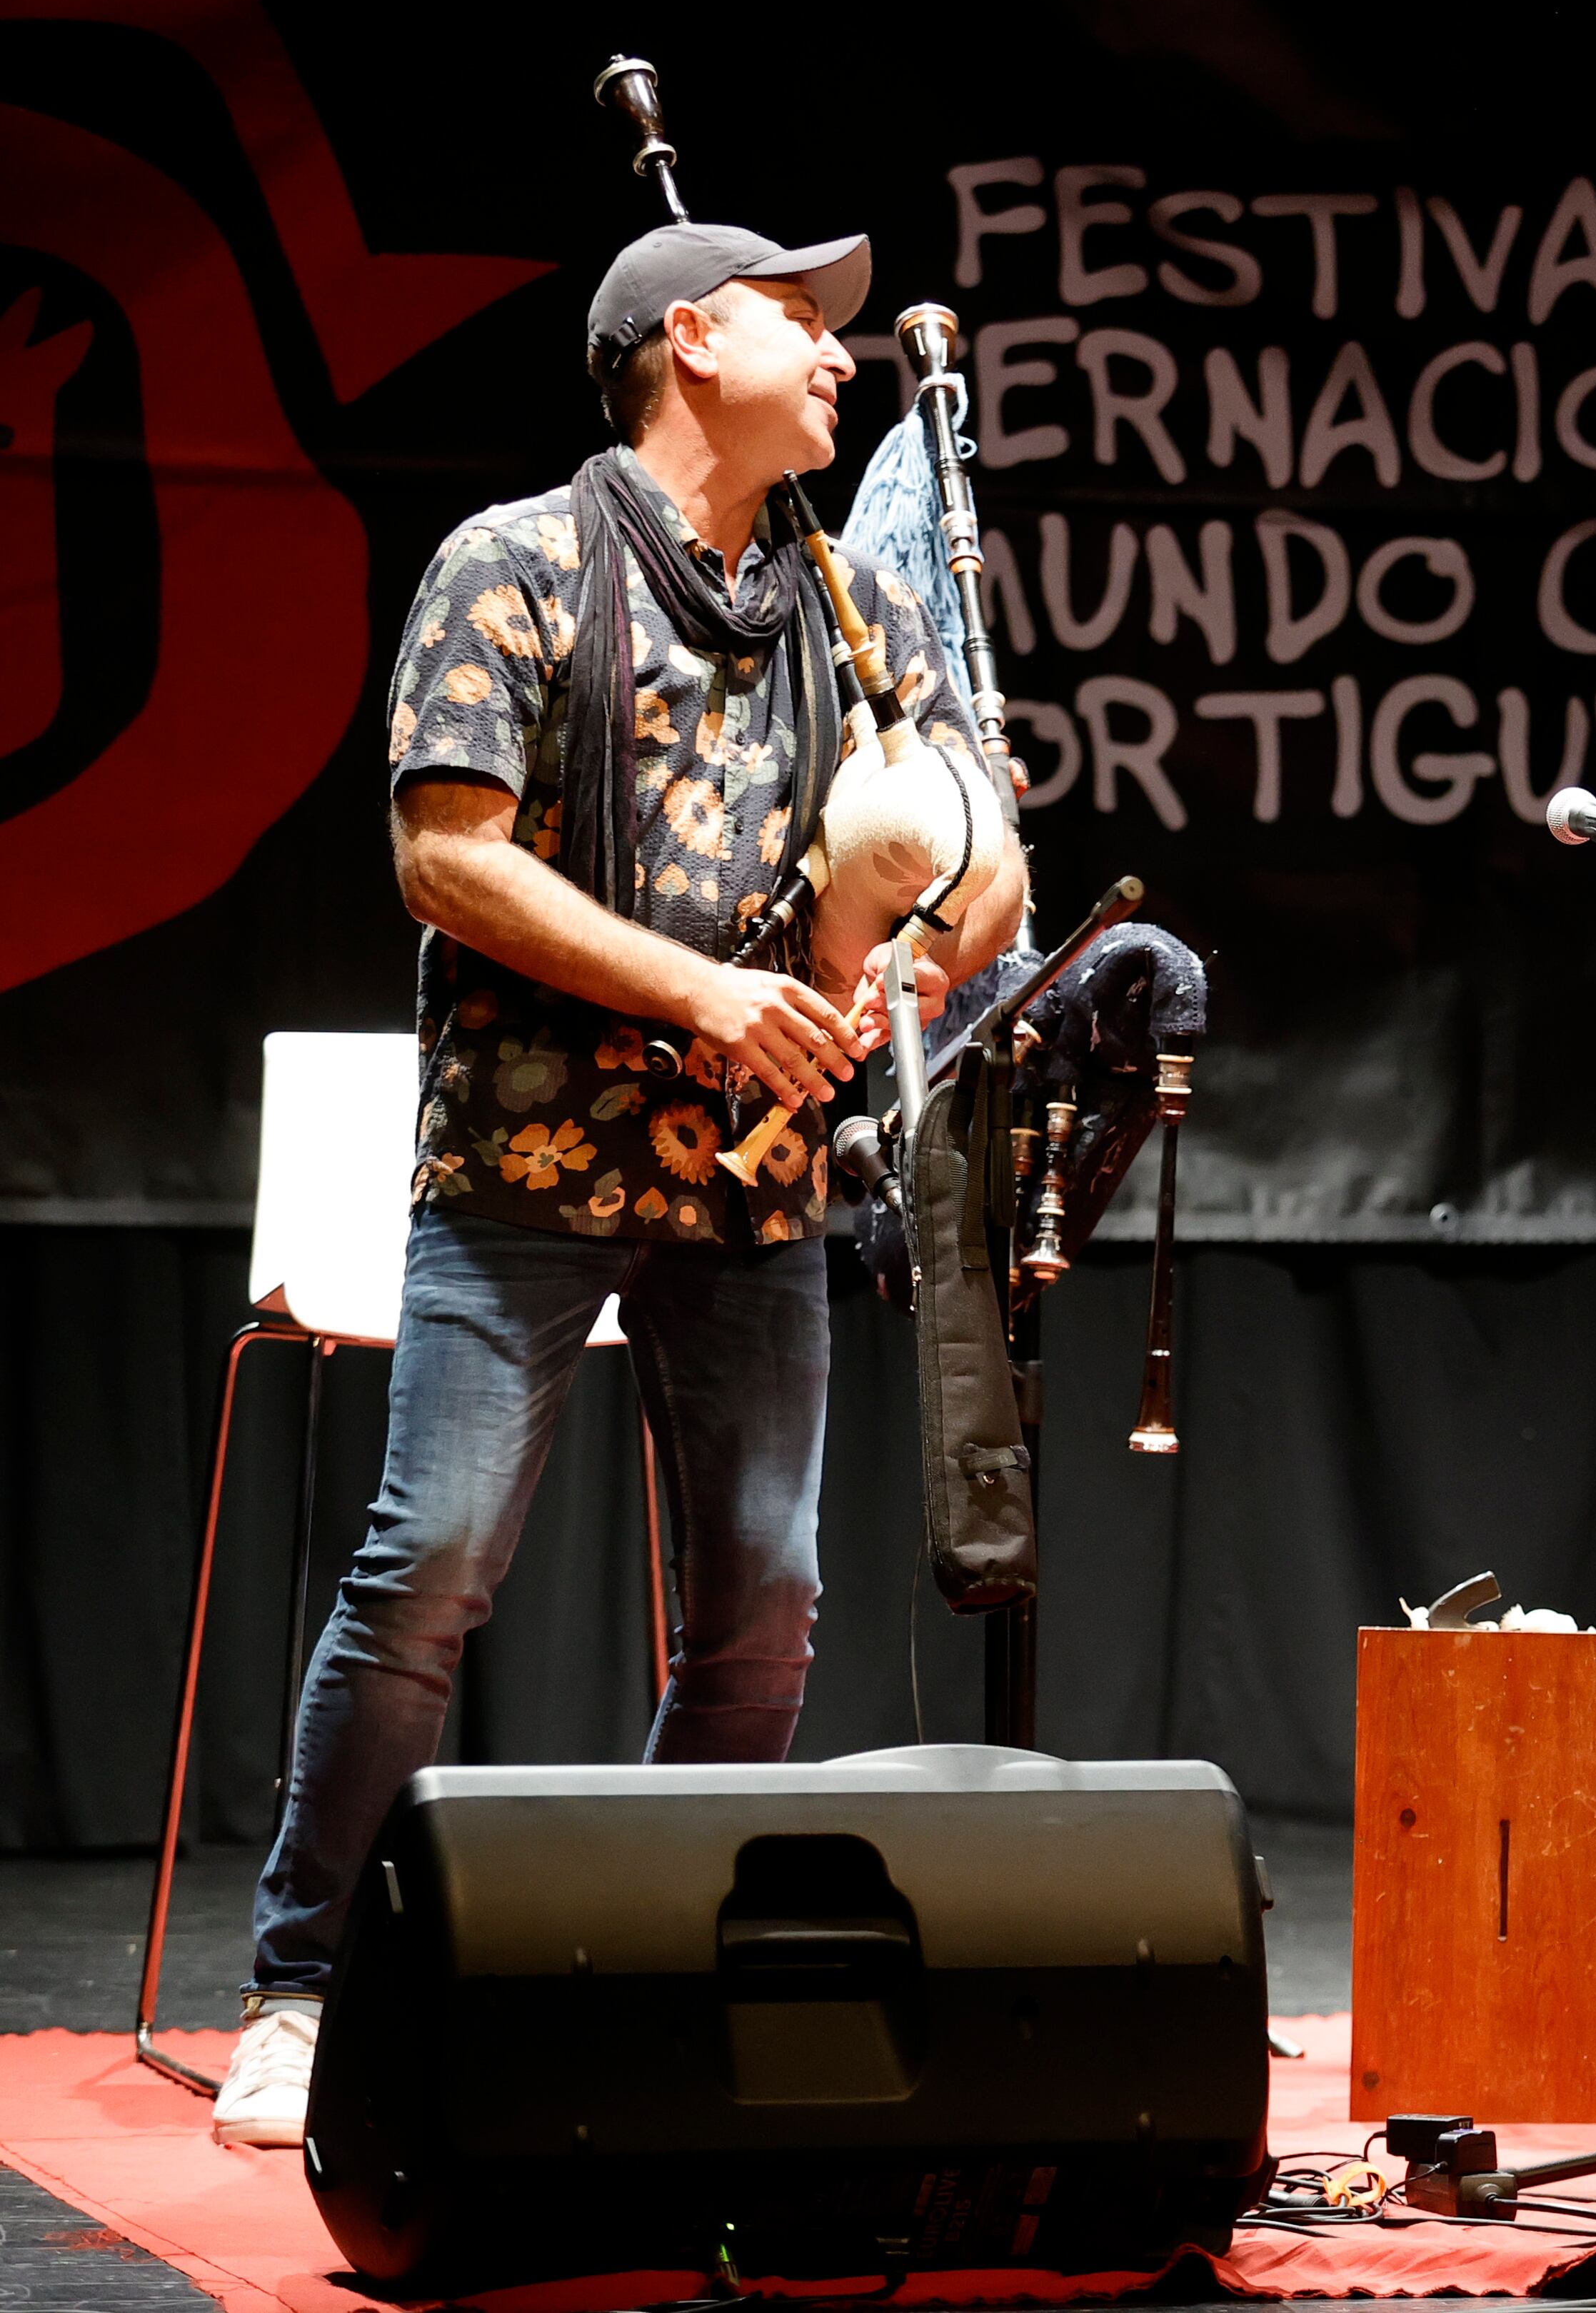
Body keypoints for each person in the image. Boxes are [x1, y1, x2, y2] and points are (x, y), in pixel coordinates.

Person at [208, 221, 1028, 2147]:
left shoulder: (843, 600)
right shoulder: (515, 558)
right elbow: (445, 856)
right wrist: (710, 994)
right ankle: (304, 1986)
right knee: (432, 1567)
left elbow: (981, 853)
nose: (838, 355)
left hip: (753, 1191)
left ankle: (654, 1960)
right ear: (688, 340)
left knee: (766, 1602)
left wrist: (899, 963)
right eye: (798, 320)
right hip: (532, 1151)